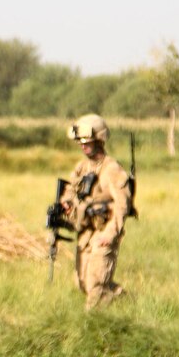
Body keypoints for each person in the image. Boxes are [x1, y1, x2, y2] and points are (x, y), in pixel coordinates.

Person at [59, 114, 133, 309]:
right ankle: (126, 302)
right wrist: (66, 203)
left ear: (99, 139)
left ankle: (89, 326)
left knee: (96, 286)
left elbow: (122, 205)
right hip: (86, 231)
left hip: (104, 232)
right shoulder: (82, 167)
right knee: (82, 282)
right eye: (80, 143)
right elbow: (69, 189)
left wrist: (110, 233)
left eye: (87, 142)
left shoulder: (112, 169)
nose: (83, 146)